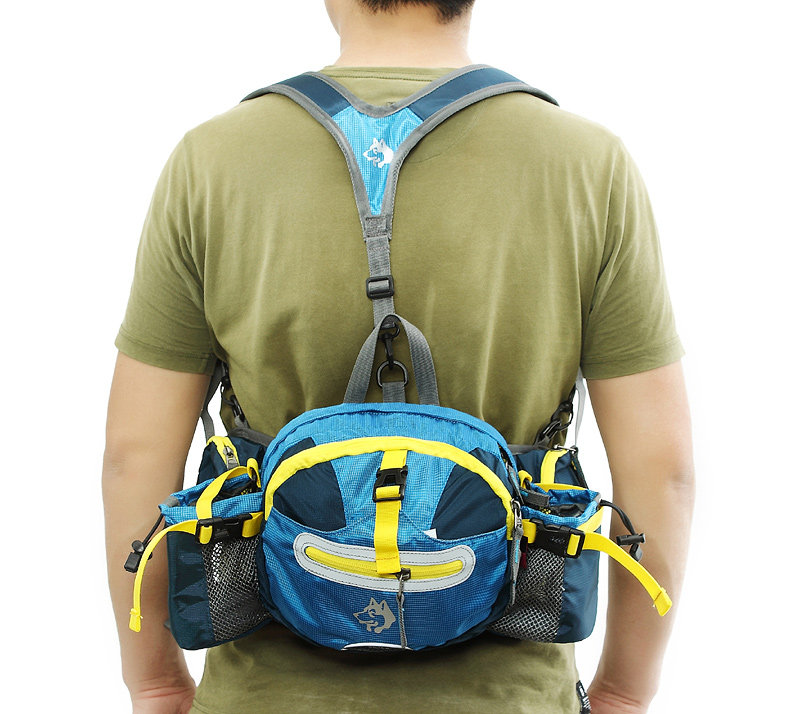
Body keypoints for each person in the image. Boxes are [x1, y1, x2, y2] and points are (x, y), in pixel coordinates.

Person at [103, 1, 695, 712]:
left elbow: (135, 457)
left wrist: (156, 682)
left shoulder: (212, 160)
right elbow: (662, 472)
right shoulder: (588, 166)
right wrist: (624, 691)